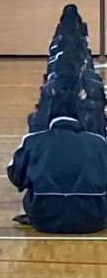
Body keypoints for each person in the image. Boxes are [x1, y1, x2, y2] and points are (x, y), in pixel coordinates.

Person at [8, 95, 107, 234]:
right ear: (80, 116)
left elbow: (16, 176)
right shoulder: (99, 142)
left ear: (48, 116)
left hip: (44, 220)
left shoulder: (32, 141)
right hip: (94, 219)